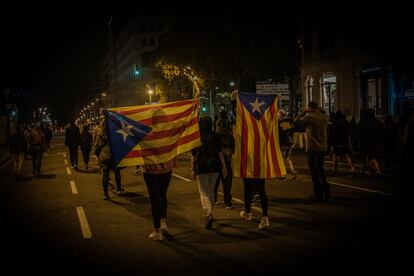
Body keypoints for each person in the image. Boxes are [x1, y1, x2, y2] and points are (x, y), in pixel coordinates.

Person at [191, 116, 227, 229]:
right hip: (215, 166)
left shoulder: (196, 137)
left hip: (202, 166)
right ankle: (210, 212)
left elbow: (193, 155)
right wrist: (224, 167)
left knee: (203, 192)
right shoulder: (215, 135)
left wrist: (192, 168)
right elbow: (220, 152)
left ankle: (208, 213)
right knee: (211, 191)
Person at [296, 101, 330, 201]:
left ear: (310, 107)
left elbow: (297, 122)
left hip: (313, 147)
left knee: (314, 172)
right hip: (323, 147)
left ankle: (318, 194)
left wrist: (303, 112)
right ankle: (327, 192)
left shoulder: (310, 117)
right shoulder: (324, 117)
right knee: (321, 170)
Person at [142, 159, 175, 241]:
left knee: (154, 199)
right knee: (162, 195)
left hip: (150, 168)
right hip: (166, 167)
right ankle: (163, 223)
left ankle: (157, 231)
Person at [93, 116, 125, 200]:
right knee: (117, 172)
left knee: (105, 175)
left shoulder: (102, 135)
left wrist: (99, 155)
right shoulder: (116, 133)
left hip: (104, 156)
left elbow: (97, 147)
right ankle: (118, 189)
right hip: (114, 156)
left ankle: (105, 194)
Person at [213, 109, 235, 209]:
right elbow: (232, 148)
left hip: (216, 158)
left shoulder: (216, 134)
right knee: (227, 181)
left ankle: (214, 199)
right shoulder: (230, 135)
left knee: (215, 180)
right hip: (226, 156)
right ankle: (227, 202)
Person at [331, 110, 356, 176]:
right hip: (345, 141)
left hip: (337, 142)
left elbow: (333, 134)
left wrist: (333, 143)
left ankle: (334, 169)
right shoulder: (346, 122)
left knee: (335, 155)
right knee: (347, 155)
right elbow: (349, 132)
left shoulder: (335, 123)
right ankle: (352, 167)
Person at [278, 109, 298, 180]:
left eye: (278, 114)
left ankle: (283, 175)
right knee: (287, 158)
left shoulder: (279, 123)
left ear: (281, 115)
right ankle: (293, 170)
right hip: (290, 142)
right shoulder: (290, 122)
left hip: (283, 143)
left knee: (282, 159)